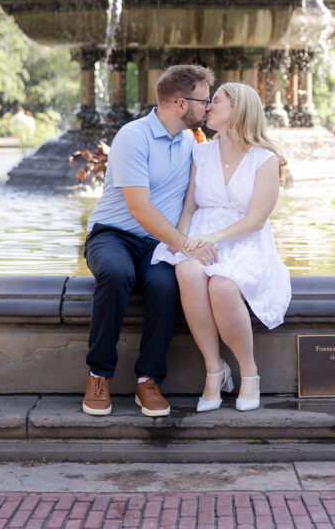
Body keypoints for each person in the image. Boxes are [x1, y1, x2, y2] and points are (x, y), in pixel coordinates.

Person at [82, 64, 216, 419]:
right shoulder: (133, 136)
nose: (209, 107)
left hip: (157, 244)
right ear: (181, 103)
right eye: (204, 101)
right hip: (113, 235)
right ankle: (99, 375)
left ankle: (148, 379)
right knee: (115, 273)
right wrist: (186, 245)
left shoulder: (191, 142)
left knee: (166, 285)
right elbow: (139, 208)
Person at [152, 82, 291, 412]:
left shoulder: (265, 159)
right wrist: (182, 244)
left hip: (243, 241)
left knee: (223, 286)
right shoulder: (200, 152)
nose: (208, 106)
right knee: (187, 270)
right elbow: (189, 208)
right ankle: (214, 370)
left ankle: (249, 372)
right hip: (199, 235)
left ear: (238, 109)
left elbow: (256, 220)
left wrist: (211, 239)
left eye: (216, 101)